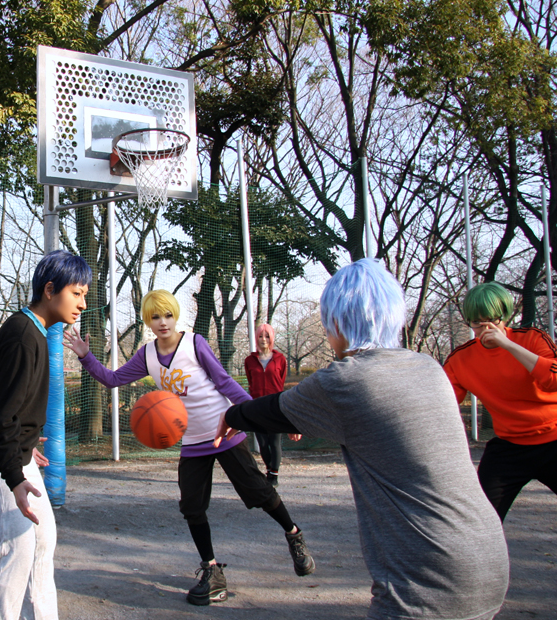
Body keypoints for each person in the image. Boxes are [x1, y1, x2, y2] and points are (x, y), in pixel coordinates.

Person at [216, 259, 509, 620]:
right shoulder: (428, 367)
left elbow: (274, 408)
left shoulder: (346, 381)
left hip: (429, 581)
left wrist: (231, 415)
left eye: (327, 324)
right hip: (489, 555)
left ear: (337, 323)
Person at [64, 289, 315, 607]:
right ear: (148, 321)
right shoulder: (148, 355)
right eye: (155, 317)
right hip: (192, 442)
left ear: (175, 315)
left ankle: (293, 534)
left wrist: (267, 417)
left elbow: (225, 382)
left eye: (167, 314)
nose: (163, 322)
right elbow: (113, 379)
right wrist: (86, 356)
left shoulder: (194, 343)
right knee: (192, 507)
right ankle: (212, 571)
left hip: (223, 431)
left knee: (259, 493)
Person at [0, 249, 91, 620]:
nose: (83, 304)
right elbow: (3, 416)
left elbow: (14, 409)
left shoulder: (36, 331)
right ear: (50, 290)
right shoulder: (23, 334)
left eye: (85, 295)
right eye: (77, 293)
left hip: (15, 453)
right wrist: (15, 475)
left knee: (42, 542)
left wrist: (25, 445)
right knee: (17, 547)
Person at [443, 281, 557, 521]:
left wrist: (507, 344)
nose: (485, 329)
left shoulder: (534, 339)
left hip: (553, 438)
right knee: (480, 520)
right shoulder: (461, 359)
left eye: (493, 321)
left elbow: (553, 380)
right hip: (509, 447)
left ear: (506, 315)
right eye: (477, 322)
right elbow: (442, 405)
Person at [244, 323, 301, 487]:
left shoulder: (280, 359)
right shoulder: (249, 360)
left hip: (275, 405)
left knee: (274, 441)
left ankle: (273, 475)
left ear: (272, 338)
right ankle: (269, 469)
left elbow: (280, 381)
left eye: (267, 336)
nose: (263, 339)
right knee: (262, 443)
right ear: (256, 338)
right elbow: (251, 382)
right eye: (260, 336)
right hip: (257, 406)